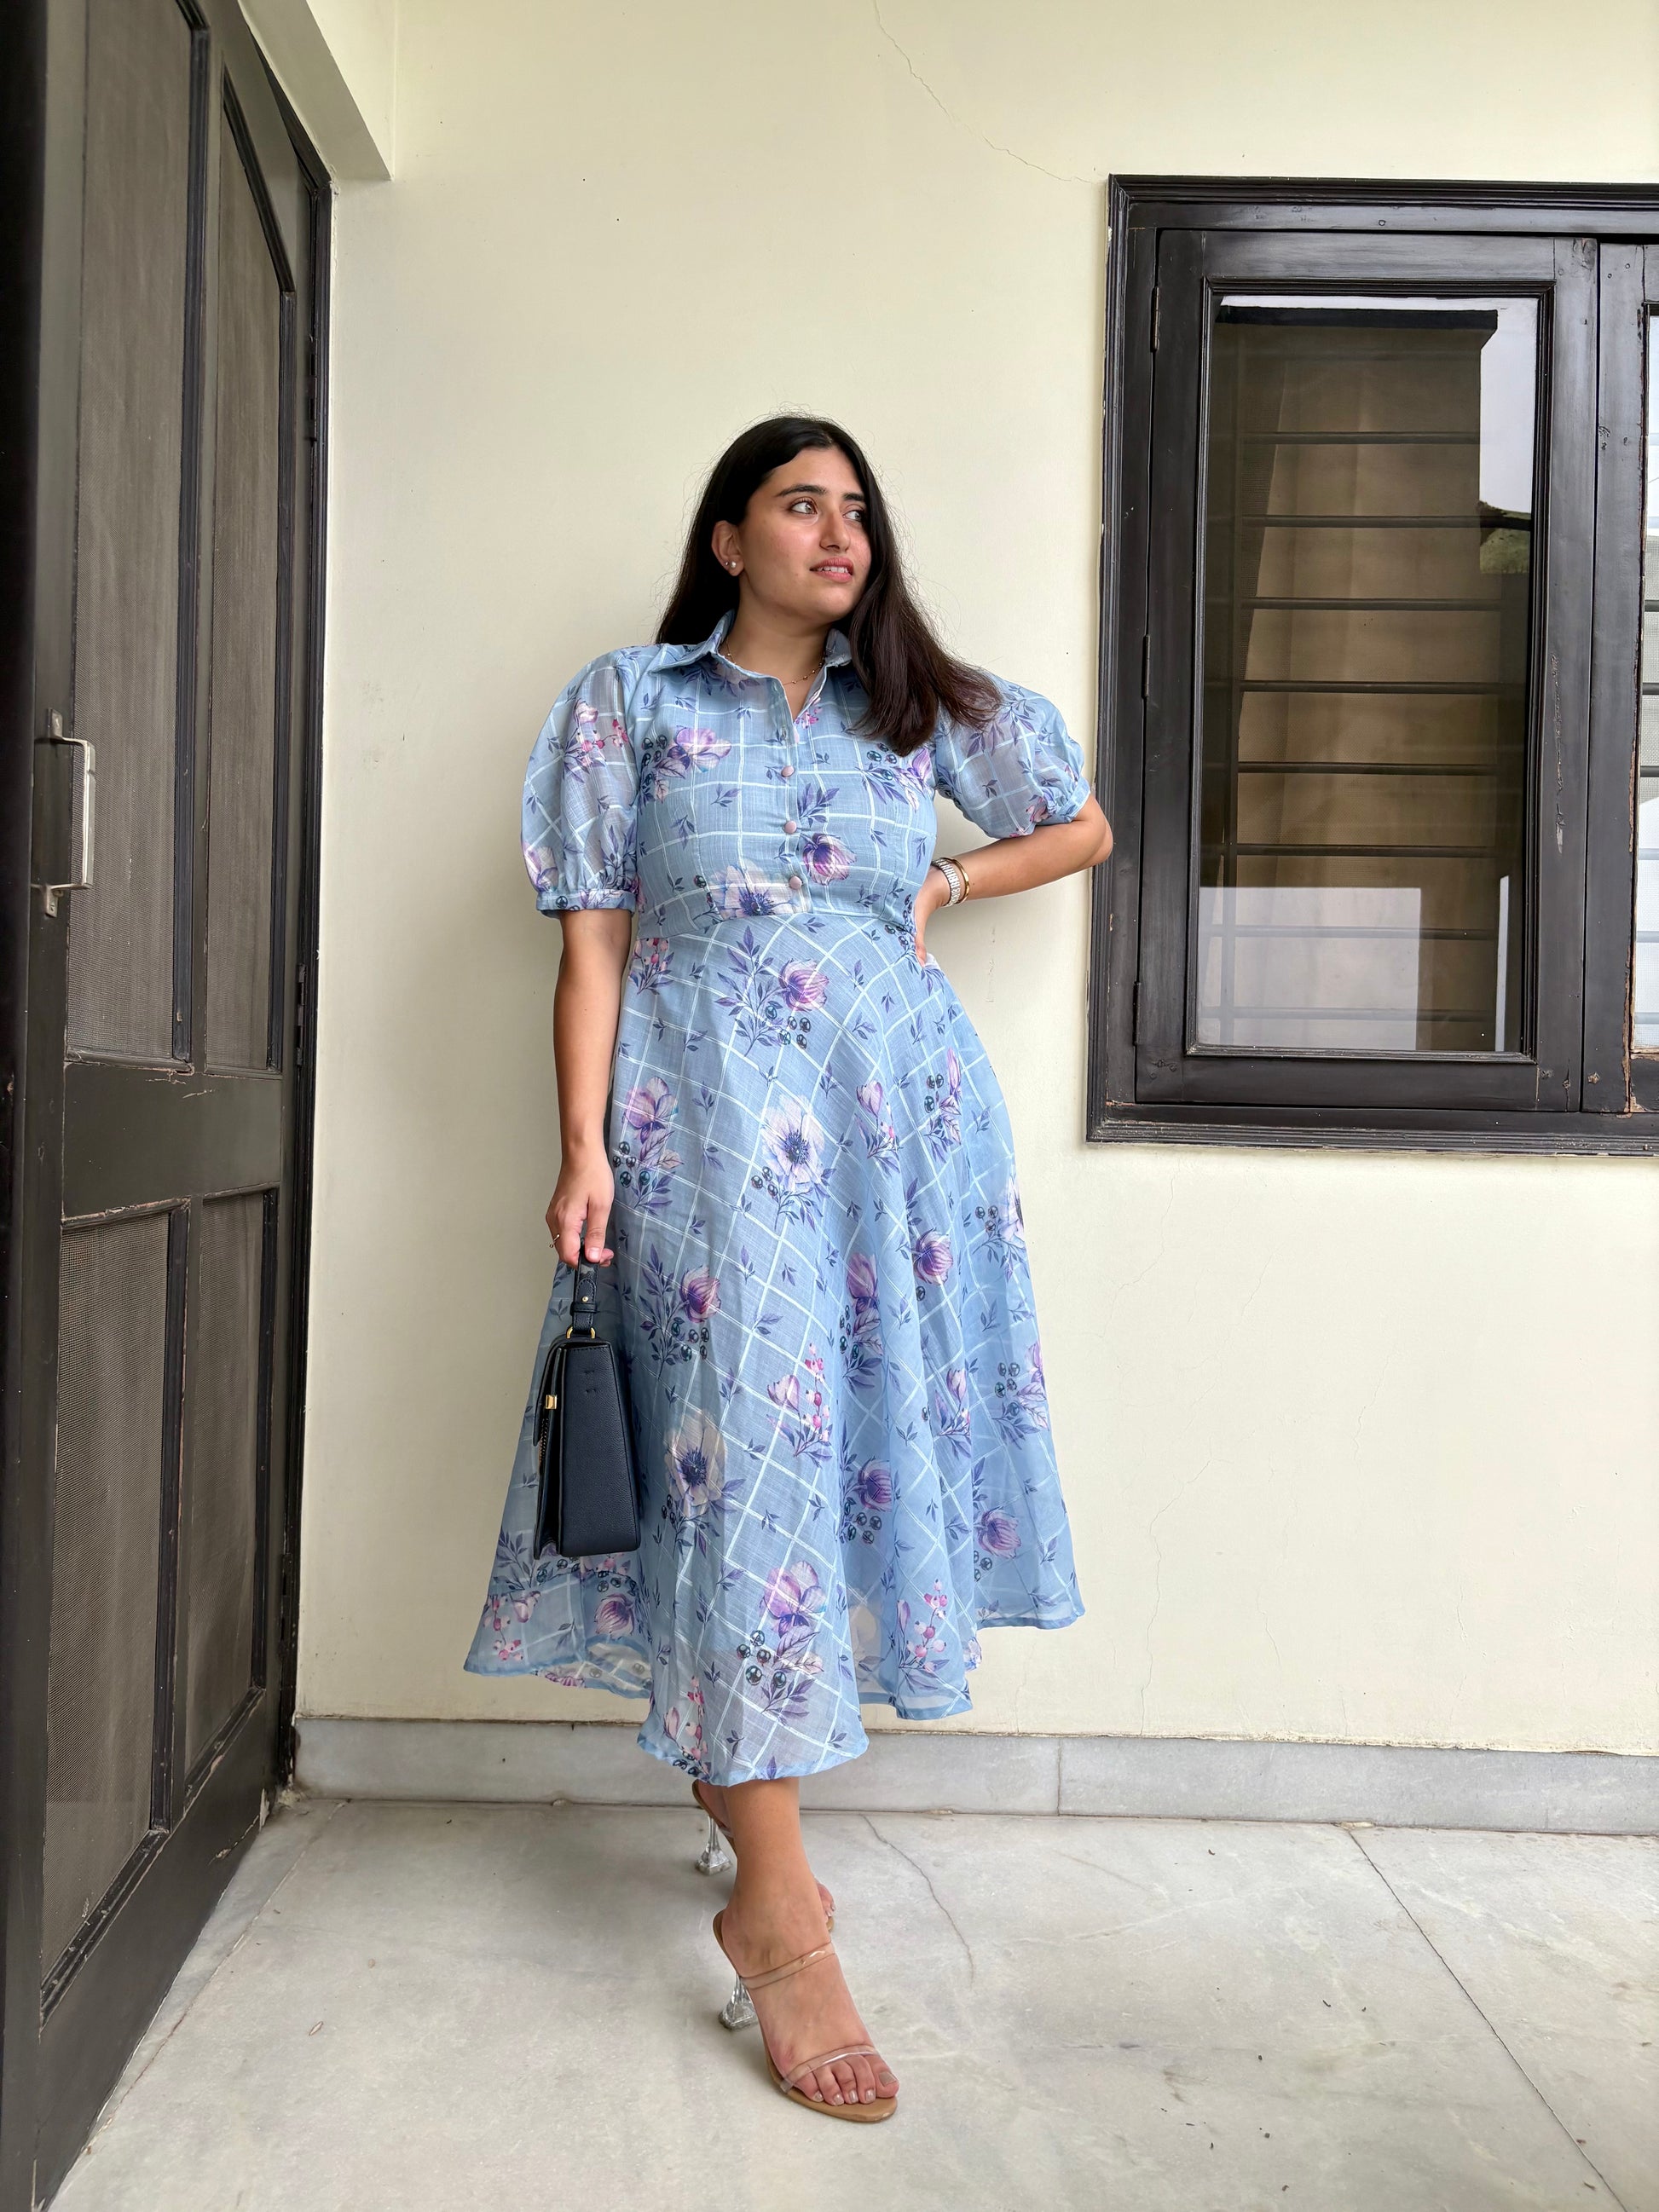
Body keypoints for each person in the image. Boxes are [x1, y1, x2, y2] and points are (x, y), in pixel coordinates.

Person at [465, 415, 1113, 2121]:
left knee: (829, 1463)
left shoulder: (912, 709)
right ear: (728, 535)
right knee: (738, 1464)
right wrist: (585, 1147)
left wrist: (952, 876)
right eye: (801, 504)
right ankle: (777, 1908)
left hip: (890, 1137)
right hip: (697, 1131)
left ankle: (744, 1807)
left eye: (858, 510)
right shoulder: (632, 702)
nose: (839, 534)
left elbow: (1080, 824)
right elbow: (593, 946)